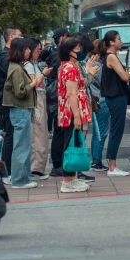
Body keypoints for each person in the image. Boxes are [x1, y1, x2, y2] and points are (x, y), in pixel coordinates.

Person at [3, 37, 46, 189]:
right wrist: (33, 83)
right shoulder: (15, 68)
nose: (29, 51)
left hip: (22, 109)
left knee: (24, 144)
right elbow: (20, 91)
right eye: (27, 48)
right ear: (20, 50)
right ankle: (19, 180)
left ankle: (24, 177)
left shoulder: (17, 66)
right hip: (20, 109)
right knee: (21, 145)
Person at [57, 37, 97, 192]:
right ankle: (67, 181)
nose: (81, 51)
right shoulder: (70, 69)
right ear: (69, 52)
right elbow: (72, 94)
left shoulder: (68, 66)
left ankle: (72, 178)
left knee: (72, 142)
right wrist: (77, 116)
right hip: (72, 111)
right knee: (69, 144)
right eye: (77, 49)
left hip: (71, 110)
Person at [99, 30, 130, 177]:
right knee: (116, 131)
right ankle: (112, 167)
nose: (121, 41)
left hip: (115, 97)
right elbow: (125, 77)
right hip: (116, 97)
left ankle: (112, 165)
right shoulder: (111, 57)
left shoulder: (110, 56)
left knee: (116, 130)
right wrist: (129, 73)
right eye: (119, 39)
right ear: (111, 42)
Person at [23, 38, 52, 180]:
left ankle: (38, 167)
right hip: (36, 101)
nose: (38, 52)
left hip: (39, 100)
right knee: (37, 134)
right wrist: (43, 75)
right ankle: (35, 168)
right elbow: (33, 84)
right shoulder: (28, 65)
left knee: (40, 133)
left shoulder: (32, 64)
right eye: (36, 50)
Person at [0, 26, 22, 174]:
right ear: (11, 37)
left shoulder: (8, 57)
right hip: (7, 101)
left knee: (11, 135)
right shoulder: (5, 58)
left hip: (9, 101)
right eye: (19, 36)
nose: (22, 40)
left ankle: (10, 169)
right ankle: (7, 170)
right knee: (10, 136)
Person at [47, 28, 71, 176]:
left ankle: (58, 164)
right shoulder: (59, 56)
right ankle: (57, 165)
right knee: (59, 132)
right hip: (59, 99)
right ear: (62, 38)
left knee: (59, 132)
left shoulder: (55, 54)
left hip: (57, 99)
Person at [88, 39, 110, 172]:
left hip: (95, 100)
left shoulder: (89, 62)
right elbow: (104, 82)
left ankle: (96, 160)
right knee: (100, 133)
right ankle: (96, 161)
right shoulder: (97, 65)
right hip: (100, 100)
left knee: (97, 132)